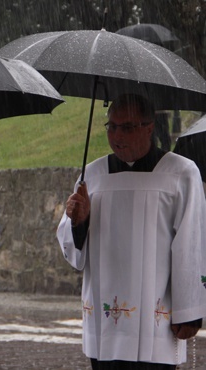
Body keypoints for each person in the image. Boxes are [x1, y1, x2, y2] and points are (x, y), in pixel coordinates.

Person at [57, 94, 206, 369]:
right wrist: (79, 220)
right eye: (111, 127)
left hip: (157, 321)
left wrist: (189, 312)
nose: (116, 135)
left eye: (126, 127)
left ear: (149, 127)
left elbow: (191, 243)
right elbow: (72, 248)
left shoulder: (180, 173)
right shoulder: (92, 175)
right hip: (105, 324)